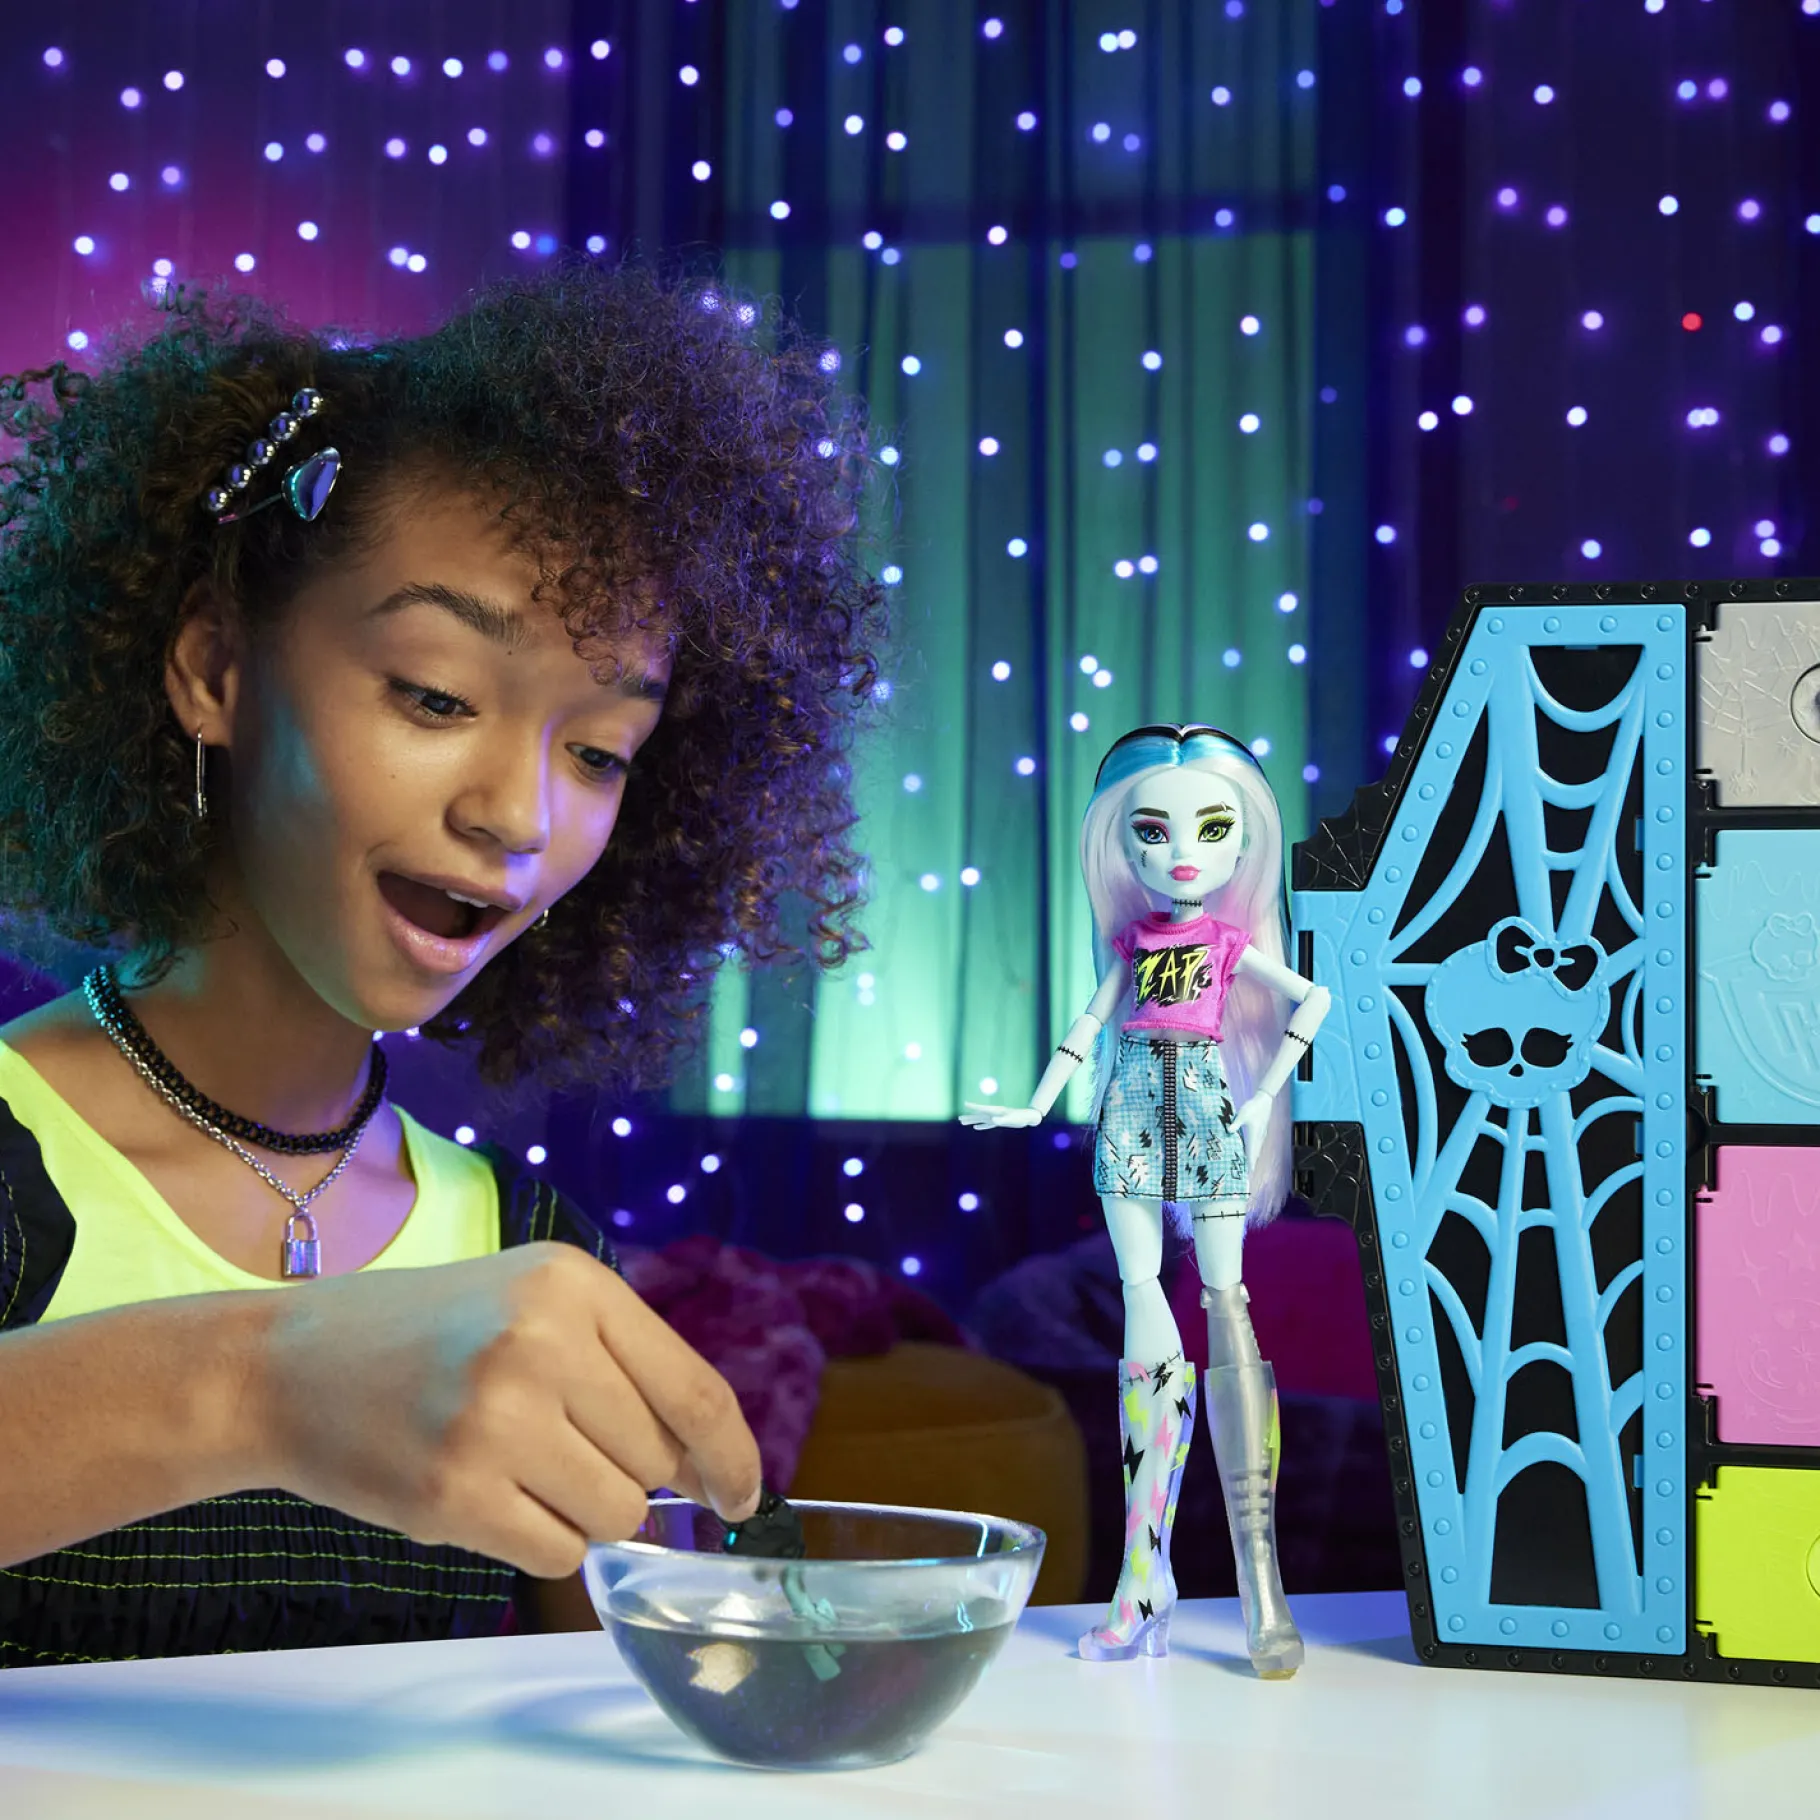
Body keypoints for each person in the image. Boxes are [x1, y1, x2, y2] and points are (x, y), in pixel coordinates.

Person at [0, 260, 885, 1665]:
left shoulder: (527, 1248)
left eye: (598, 752)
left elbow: (623, 1695)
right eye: (435, 694)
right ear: (215, 671)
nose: (518, 817)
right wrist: (261, 1388)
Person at [962, 725, 1330, 1677]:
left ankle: (1260, 1578)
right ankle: (1142, 1581)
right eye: (1152, 832)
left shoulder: (1229, 941)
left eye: (1211, 829)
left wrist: (1264, 1093)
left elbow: (1313, 1001)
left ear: (1244, 843)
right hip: (1128, 1106)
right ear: (1119, 846)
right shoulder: (1132, 942)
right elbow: (1089, 1026)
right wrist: (1033, 1104)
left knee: (1226, 1302)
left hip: (1207, 1105)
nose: (1181, 853)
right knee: (1141, 1297)